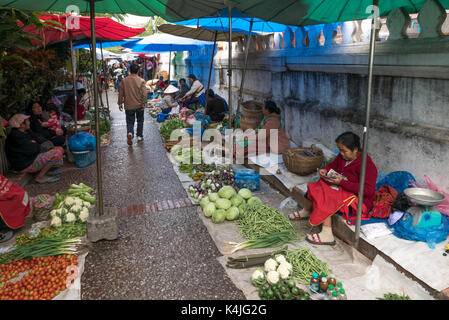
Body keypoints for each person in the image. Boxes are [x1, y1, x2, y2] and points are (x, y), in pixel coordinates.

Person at [289, 131, 378, 246]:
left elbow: (368, 190)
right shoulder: (342, 158)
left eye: (344, 151)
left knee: (328, 195)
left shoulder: (367, 165)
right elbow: (332, 166)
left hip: (358, 199)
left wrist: (342, 182)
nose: (341, 153)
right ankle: (306, 211)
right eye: (340, 150)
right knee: (319, 184)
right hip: (343, 188)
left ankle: (327, 234)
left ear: (355, 150)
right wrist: (325, 170)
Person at [5, 114, 64, 184]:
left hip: (30, 159)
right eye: (27, 121)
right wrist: (35, 144)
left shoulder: (24, 132)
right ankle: (39, 177)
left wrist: (35, 143)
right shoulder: (16, 136)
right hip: (23, 165)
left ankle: (43, 171)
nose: (29, 122)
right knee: (56, 154)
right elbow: (32, 149)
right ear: (21, 125)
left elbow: (37, 140)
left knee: (60, 149)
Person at [118, 63, 147, 145]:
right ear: (138, 71)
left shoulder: (124, 80)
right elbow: (144, 94)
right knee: (140, 120)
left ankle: (130, 133)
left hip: (128, 105)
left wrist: (120, 103)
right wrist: (144, 103)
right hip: (139, 105)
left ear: (130, 70)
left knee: (130, 121)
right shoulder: (141, 81)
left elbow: (121, 93)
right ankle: (139, 136)